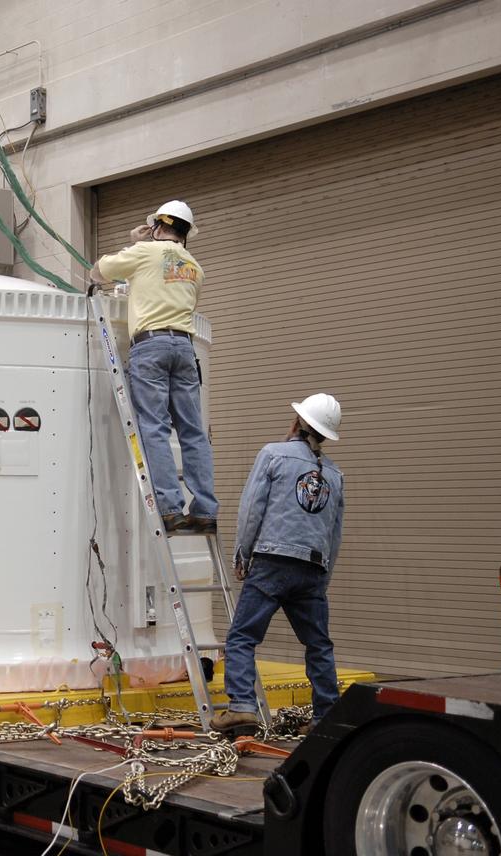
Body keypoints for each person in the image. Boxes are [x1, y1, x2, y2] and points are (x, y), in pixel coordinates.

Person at [211, 394, 346, 736]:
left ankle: (242, 707)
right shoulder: (334, 474)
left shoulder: (273, 454)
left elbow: (252, 509)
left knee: (243, 636)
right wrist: (323, 578)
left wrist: (242, 555)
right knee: (318, 644)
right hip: (313, 568)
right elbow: (334, 531)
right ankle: (325, 716)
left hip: (272, 561)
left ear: (298, 423)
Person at [89, 200, 217, 532]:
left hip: (151, 346)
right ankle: (204, 508)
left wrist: (136, 242)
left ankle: (171, 508)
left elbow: (97, 271)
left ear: (158, 226)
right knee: (192, 432)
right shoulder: (196, 268)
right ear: (186, 233)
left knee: (155, 428)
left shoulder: (145, 252)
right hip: (185, 349)